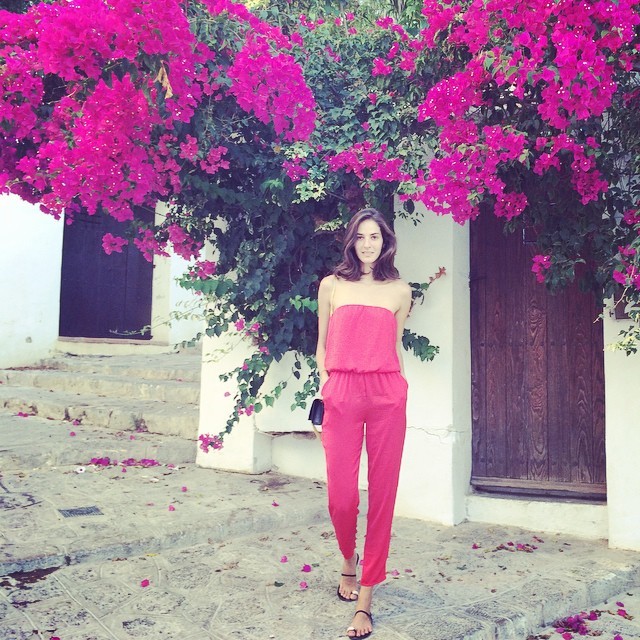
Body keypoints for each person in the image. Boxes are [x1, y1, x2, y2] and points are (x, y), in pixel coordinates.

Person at [315, 208, 412, 639]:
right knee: (341, 496)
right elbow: (321, 345)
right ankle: (347, 559)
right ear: (351, 241)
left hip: (387, 392)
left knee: (383, 495)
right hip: (342, 391)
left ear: (385, 242)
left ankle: (365, 600)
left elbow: (395, 345)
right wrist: (325, 388)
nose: (368, 244)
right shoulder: (332, 286)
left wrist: (400, 387)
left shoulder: (400, 291)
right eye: (361, 236)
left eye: (375, 236)